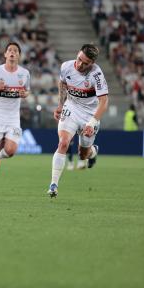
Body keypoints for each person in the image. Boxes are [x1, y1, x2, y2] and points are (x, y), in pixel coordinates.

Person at [47, 44, 109, 198]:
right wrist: (61, 105)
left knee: (83, 155)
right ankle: (53, 185)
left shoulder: (97, 74)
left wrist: (92, 122)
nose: (80, 64)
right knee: (63, 143)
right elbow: (62, 84)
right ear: (77, 54)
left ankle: (93, 152)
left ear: (92, 63)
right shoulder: (66, 67)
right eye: (79, 59)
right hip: (72, 108)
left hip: (90, 114)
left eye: (85, 63)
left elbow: (104, 102)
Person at [0, 42, 30, 188]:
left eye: (15, 51)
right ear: (5, 54)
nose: (12, 52)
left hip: (13, 117)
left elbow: (27, 91)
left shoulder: (25, 73)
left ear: (19, 55)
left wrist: (24, 94)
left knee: (10, 151)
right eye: (9, 50)